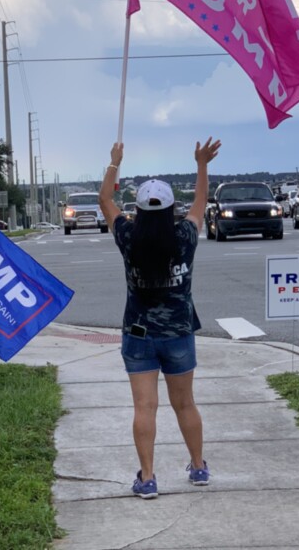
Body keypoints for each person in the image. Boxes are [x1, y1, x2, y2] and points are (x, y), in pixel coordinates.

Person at [98, 136, 221, 499]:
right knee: (185, 403)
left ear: (137, 210)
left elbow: (104, 201)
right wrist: (201, 164)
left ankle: (148, 477)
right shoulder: (185, 237)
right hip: (179, 334)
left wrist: (115, 161)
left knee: (144, 407)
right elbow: (200, 202)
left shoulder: (128, 237)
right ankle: (198, 467)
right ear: (171, 210)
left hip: (138, 336)